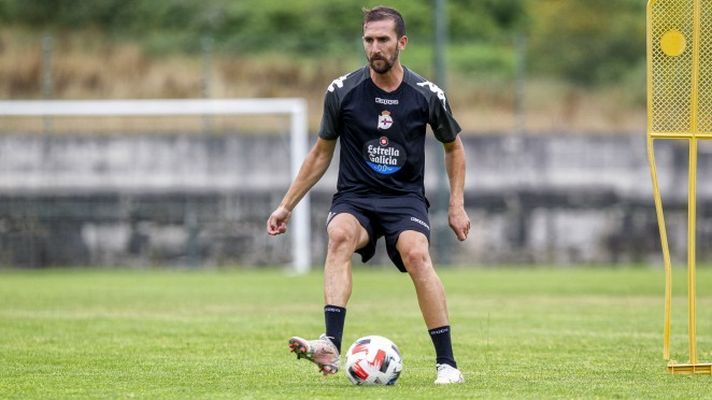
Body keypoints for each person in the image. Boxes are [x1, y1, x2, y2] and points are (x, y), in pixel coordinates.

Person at [266, 5, 469, 385]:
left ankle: (447, 364)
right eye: (369, 39)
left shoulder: (426, 95)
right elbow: (320, 153)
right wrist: (286, 205)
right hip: (355, 197)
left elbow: (454, 148)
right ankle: (329, 343)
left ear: (402, 43)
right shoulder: (342, 91)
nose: (375, 47)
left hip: (404, 199)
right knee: (339, 235)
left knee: (416, 254)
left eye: (383, 40)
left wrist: (456, 205)